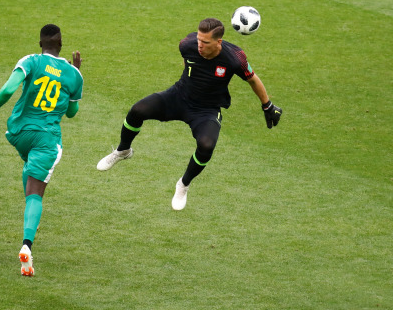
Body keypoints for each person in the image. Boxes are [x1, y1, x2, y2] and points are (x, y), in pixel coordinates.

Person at [97, 18, 282, 210]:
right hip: (178, 97)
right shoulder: (187, 45)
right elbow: (189, 64)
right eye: (199, 40)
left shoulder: (235, 58)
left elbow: (253, 80)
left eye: (206, 42)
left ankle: (183, 184)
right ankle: (123, 151)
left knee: (207, 145)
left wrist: (267, 106)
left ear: (219, 42)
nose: (200, 45)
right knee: (137, 111)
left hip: (206, 110)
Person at [0, 24, 83, 276]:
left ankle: (30, 197)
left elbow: (8, 89)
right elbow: (71, 113)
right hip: (46, 140)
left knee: (29, 176)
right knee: (35, 193)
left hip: (18, 133)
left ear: (41, 43)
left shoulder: (30, 60)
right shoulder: (73, 74)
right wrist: (75, 74)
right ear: (61, 43)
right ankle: (27, 245)